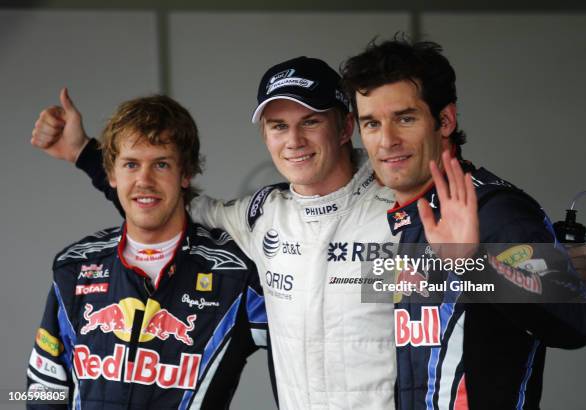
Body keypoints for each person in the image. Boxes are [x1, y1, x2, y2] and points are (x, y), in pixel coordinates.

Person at [31, 58, 398, 409]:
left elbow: (443, 333)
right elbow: (156, 203)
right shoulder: (262, 219)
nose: (294, 140)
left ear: (345, 127)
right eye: (279, 126)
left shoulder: (400, 216)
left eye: (311, 122)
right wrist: (82, 152)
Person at [340, 37, 586, 409]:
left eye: (405, 118)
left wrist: (471, 263)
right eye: (371, 124)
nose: (387, 141)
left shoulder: (495, 210)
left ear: (444, 120)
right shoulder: (398, 218)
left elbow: (579, 322)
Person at [27, 95, 267, 409]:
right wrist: (80, 151)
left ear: (185, 175)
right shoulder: (75, 268)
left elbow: (304, 358)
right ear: (111, 175)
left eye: (161, 164)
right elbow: (43, 390)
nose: (144, 180)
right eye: (131, 164)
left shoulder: (235, 275)